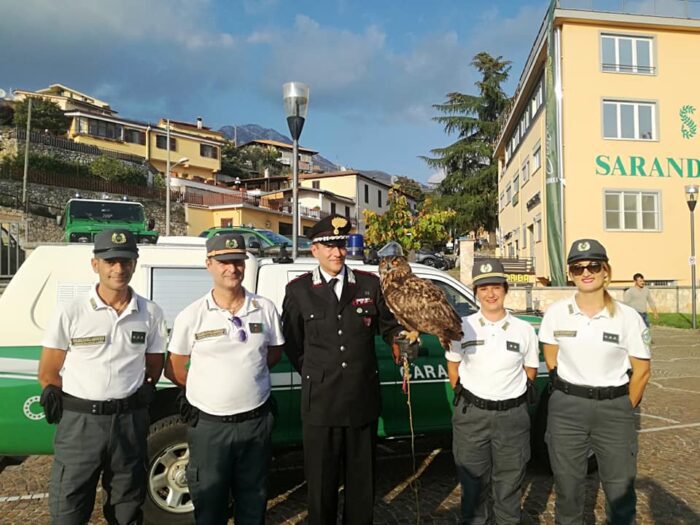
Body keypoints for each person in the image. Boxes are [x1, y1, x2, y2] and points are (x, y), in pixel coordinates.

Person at [38, 229, 167, 525]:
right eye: (110, 261)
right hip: (81, 422)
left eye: (125, 260)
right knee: (69, 503)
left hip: (129, 422)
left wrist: (142, 392)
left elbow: (154, 363)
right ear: (95, 264)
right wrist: (54, 392)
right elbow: (48, 369)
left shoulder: (150, 313)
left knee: (127, 504)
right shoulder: (71, 311)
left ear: (135, 263)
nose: (118, 269)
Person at [281, 214, 402, 524]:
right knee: (321, 490)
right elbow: (294, 344)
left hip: (361, 401)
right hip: (320, 404)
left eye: (341, 245)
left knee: (362, 487)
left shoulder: (369, 284)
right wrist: (316, 372)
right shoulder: (299, 291)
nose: (337, 253)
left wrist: (400, 342)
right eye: (329, 246)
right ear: (314, 250)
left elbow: (388, 327)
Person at [165, 233, 283, 525]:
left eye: (238, 261)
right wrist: (208, 389)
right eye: (224, 262)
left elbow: (274, 353)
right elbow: (175, 367)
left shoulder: (265, 308)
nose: (232, 268)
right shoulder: (192, 314)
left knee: (253, 502)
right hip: (210, 427)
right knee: (209, 505)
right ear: (209, 264)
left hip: (255, 423)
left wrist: (244, 379)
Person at [539, 239, 652, 525]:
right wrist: (569, 392)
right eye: (578, 268)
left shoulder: (628, 318)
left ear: (606, 272)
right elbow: (551, 359)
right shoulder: (555, 313)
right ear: (571, 274)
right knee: (567, 490)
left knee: (620, 491)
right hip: (567, 410)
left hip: (614, 408)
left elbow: (641, 371)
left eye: (593, 266)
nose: (586, 272)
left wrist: (623, 406)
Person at [446, 259, 539, 524]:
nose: (490, 294)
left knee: (509, 489)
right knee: (472, 491)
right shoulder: (461, 326)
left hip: (512, 418)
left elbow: (529, 370)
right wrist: (472, 397)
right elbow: (453, 366)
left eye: (496, 287)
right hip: (472, 417)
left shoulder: (524, 330)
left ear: (505, 289)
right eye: (483, 288)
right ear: (475, 291)